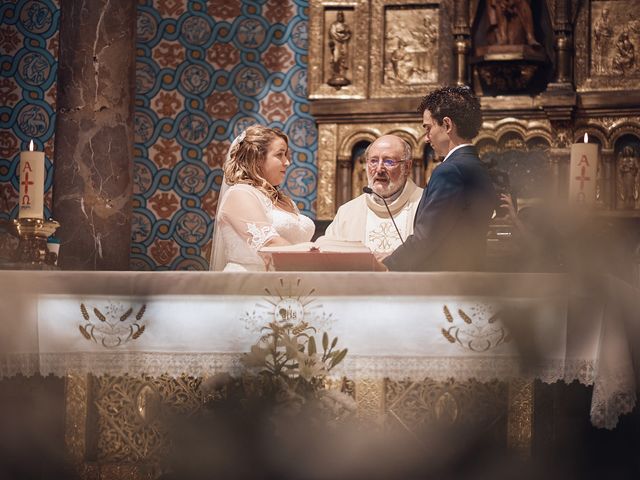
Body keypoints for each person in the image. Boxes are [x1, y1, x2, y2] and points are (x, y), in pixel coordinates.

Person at [383, 86, 496, 271]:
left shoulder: (450, 171)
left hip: (446, 282)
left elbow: (427, 237)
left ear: (447, 125)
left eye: (428, 128)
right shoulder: (477, 166)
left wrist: (385, 265)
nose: (427, 138)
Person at [210, 125, 315, 271]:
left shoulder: (285, 200)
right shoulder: (239, 194)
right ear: (257, 158)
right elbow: (269, 244)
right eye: (280, 155)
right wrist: (317, 257)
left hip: (287, 281)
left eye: (286, 155)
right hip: (250, 283)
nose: (287, 162)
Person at [322, 135, 423, 255]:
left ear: (407, 167)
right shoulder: (347, 213)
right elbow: (328, 255)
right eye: (374, 161)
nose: (379, 169)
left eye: (389, 161)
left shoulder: (425, 204)